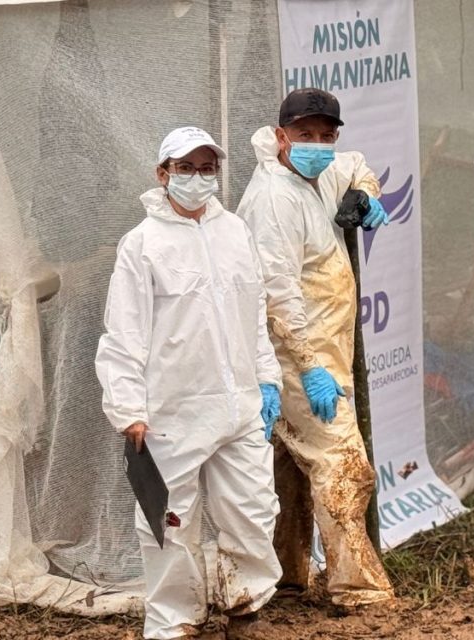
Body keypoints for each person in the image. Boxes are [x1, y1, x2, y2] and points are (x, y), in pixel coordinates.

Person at [95, 126, 284, 639]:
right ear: (163, 174)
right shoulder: (142, 245)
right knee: (169, 525)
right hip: (172, 412)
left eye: (207, 168)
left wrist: (267, 379)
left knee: (252, 511)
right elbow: (123, 333)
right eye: (185, 168)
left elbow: (253, 312)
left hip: (240, 404)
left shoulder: (235, 231)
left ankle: (245, 608)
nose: (198, 178)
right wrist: (128, 408)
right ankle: (174, 623)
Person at [236, 88, 394, 609]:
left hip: (327, 349)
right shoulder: (271, 200)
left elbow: (356, 166)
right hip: (297, 359)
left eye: (326, 135)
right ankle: (359, 590)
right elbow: (277, 298)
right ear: (282, 138)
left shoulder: (322, 169)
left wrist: (367, 195)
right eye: (305, 135)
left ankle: (286, 575)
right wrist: (309, 367)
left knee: (291, 471)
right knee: (342, 465)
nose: (318, 145)